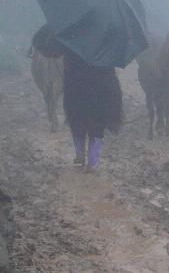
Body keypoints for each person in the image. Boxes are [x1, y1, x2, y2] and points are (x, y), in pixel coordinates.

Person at [32, 25, 122, 170]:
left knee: (77, 120)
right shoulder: (108, 32)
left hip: (75, 83)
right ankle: (93, 161)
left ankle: (79, 155)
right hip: (102, 85)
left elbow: (50, 50)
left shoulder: (71, 29)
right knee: (97, 124)